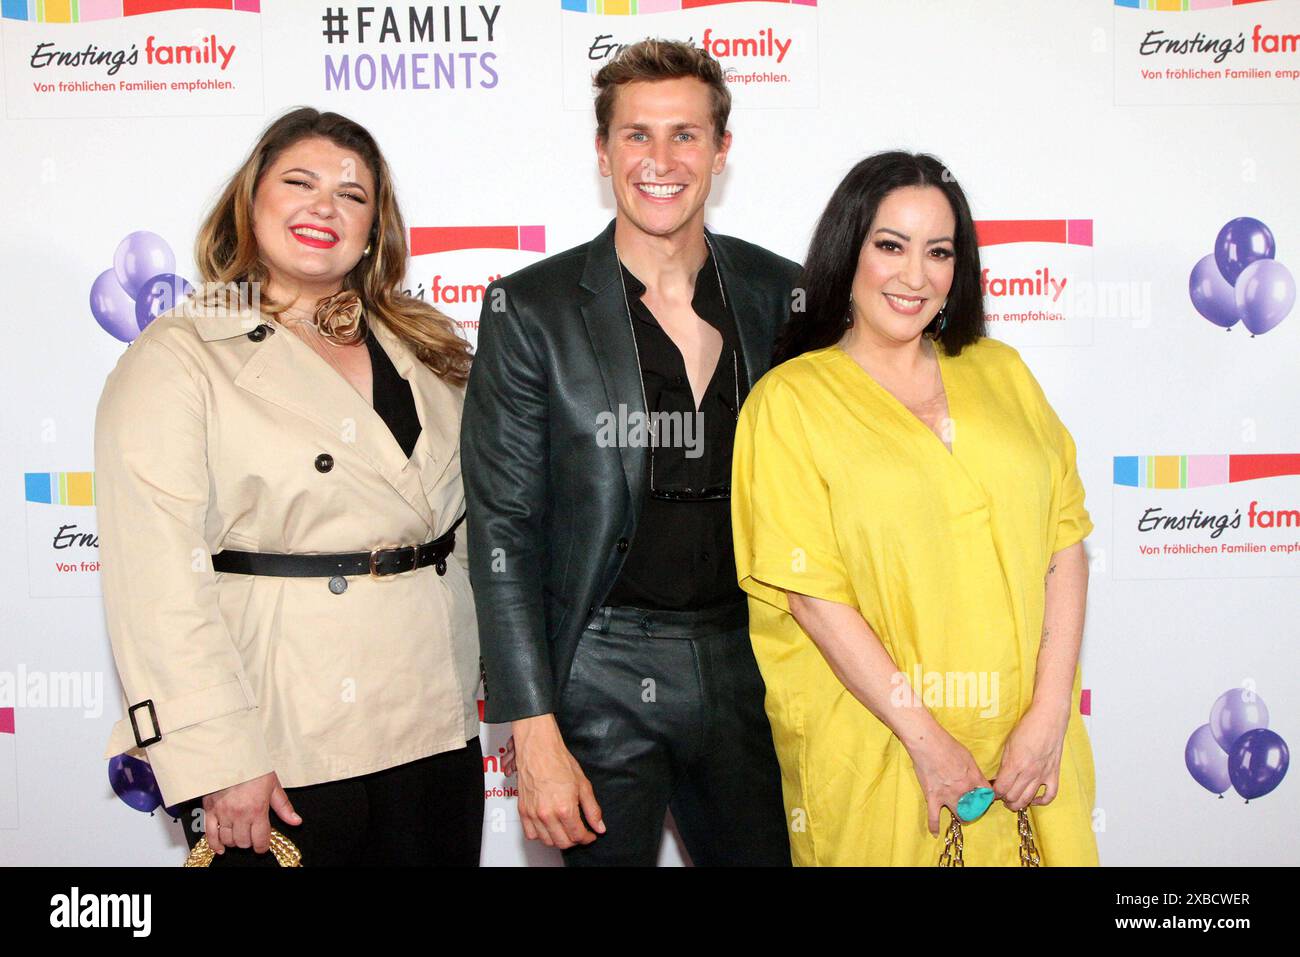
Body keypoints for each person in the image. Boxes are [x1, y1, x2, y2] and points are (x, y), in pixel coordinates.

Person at [96, 107, 484, 866]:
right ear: (250, 201)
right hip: (279, 739)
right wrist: (218, 756)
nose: (323, 206)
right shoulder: (180, 354)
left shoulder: (425, 347)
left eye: (352, 193)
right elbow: (156, 581)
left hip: (434, 726)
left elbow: (471, 529)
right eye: (298, 182)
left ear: (374, 228)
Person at [462, 40, 796, 866]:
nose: (660, 159)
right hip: (600, 666)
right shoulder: (531, 308)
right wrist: (532, 730)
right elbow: (503, 530)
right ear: (602, 149)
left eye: (685, 135)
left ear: (721, 151)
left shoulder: (783, 294)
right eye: (636, 135)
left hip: (753, 659)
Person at [731, 151, 1099, 866]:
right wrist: (928, 741)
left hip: (1029, 751)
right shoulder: (790, 402)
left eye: (939, 251)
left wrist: (1050, 717)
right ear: (849, 250)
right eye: (890, 245)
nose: (914, 275)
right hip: (882, 748)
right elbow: (810, 596)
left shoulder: (1003, 372)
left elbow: (1066, 542)